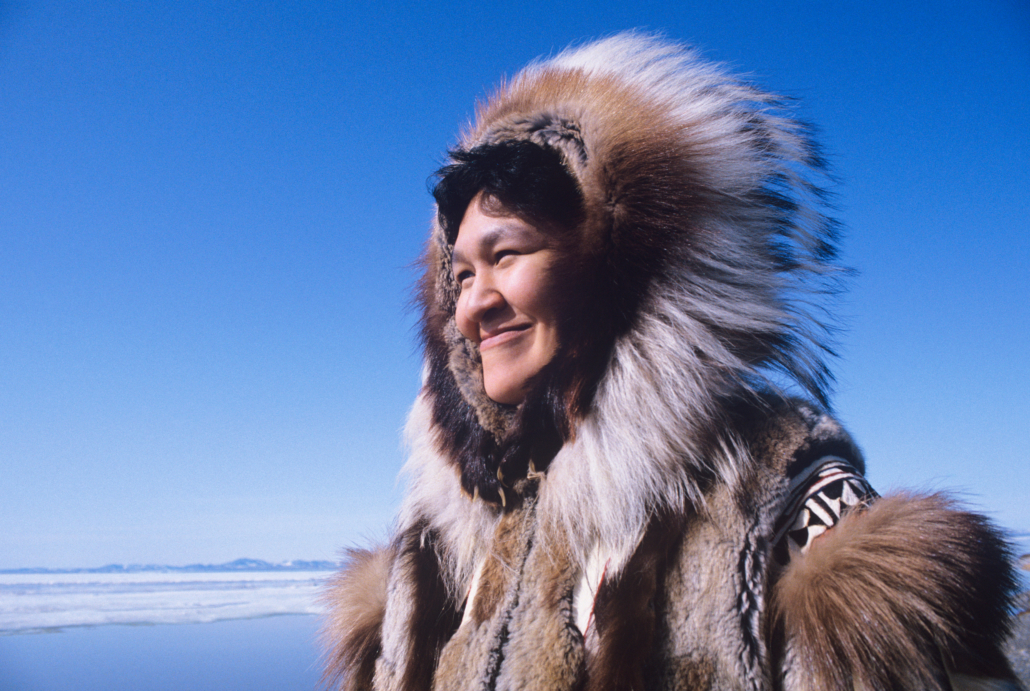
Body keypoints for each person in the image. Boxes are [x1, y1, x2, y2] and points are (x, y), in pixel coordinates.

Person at [323, 33, 1021, 691]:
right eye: (462, 276)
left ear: (616, 263)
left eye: (506, 254)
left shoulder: (789, 510)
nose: (475, 305)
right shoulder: (434, 555)